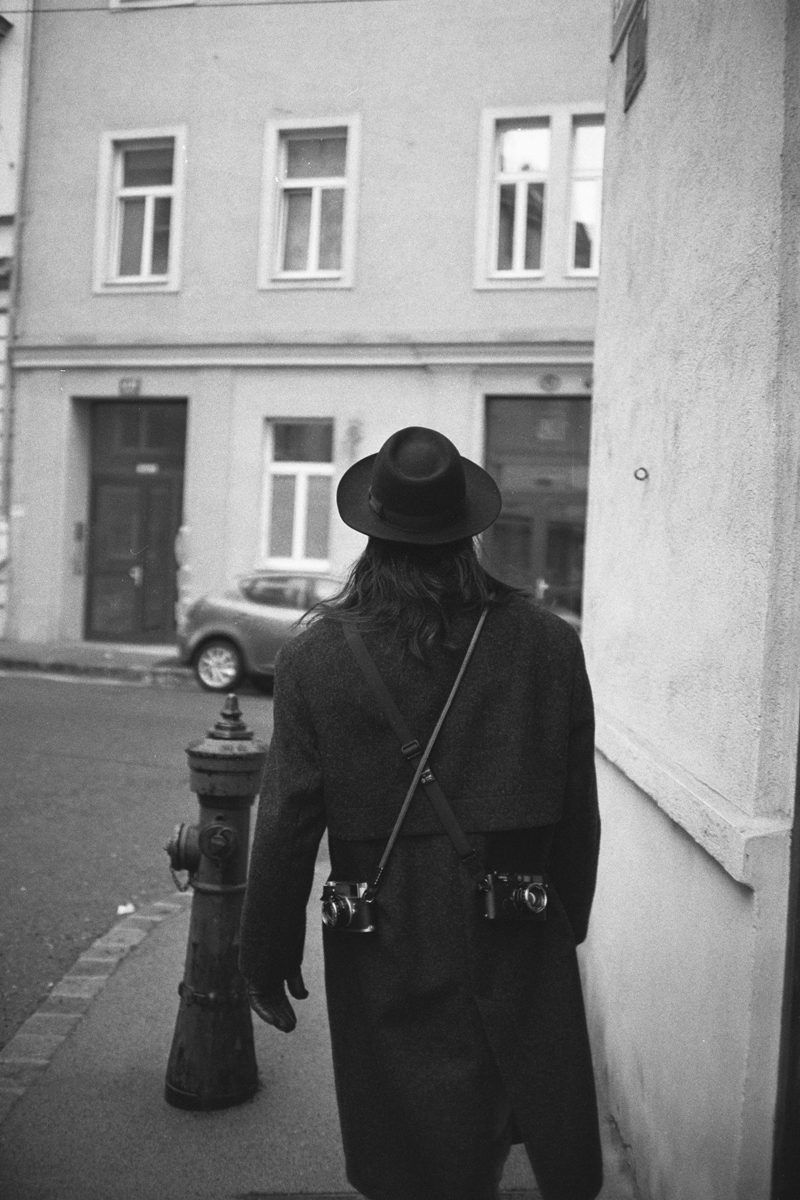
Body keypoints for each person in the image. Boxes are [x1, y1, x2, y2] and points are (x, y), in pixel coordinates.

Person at [239, 426, 603, 1200]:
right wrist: (565, 919)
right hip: (516, 910)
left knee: (405, 1125)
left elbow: (286, 826)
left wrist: (266, 958)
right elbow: (580, 810)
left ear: (372, 531)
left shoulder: (316, 656)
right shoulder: (548, 643)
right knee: (509, 1099)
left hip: (386, 923)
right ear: (467, 530)